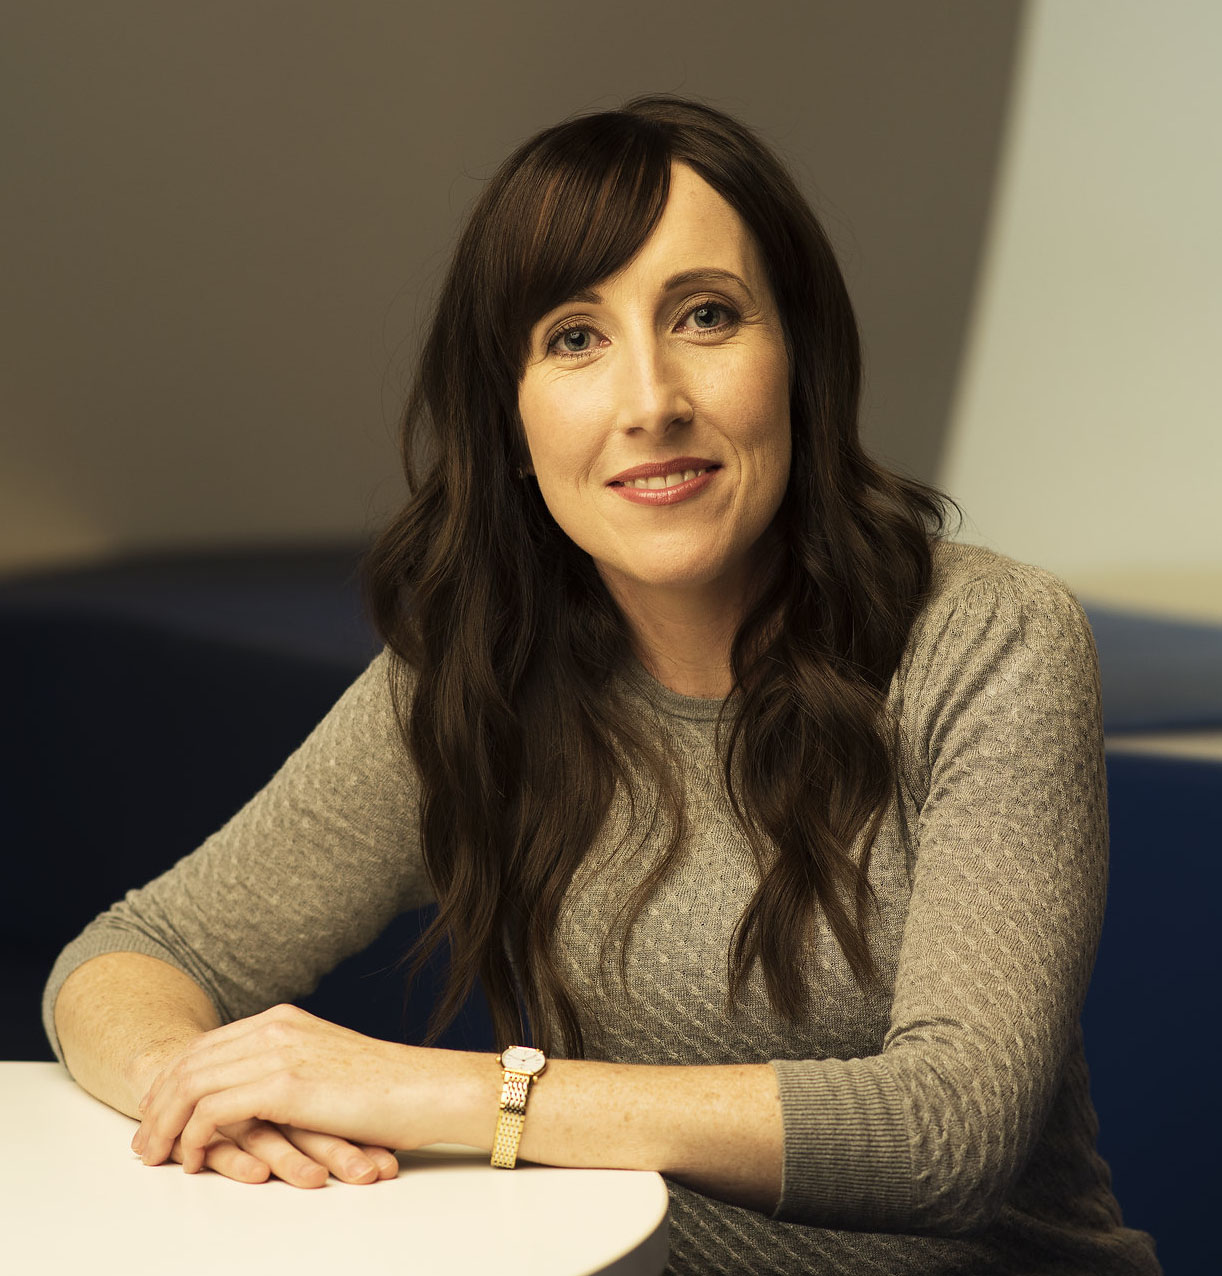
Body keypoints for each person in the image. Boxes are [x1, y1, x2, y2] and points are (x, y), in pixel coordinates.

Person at [44, 96, 1161, 1274]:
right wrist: (212, 1092)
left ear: (801, 359)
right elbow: (136, 953)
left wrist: (443, 1092)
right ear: (513, 420)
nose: (651, 401)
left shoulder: (988, 637)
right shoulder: (476, 673)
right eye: (574, 338)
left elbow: (950, 1131)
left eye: (707, 316)